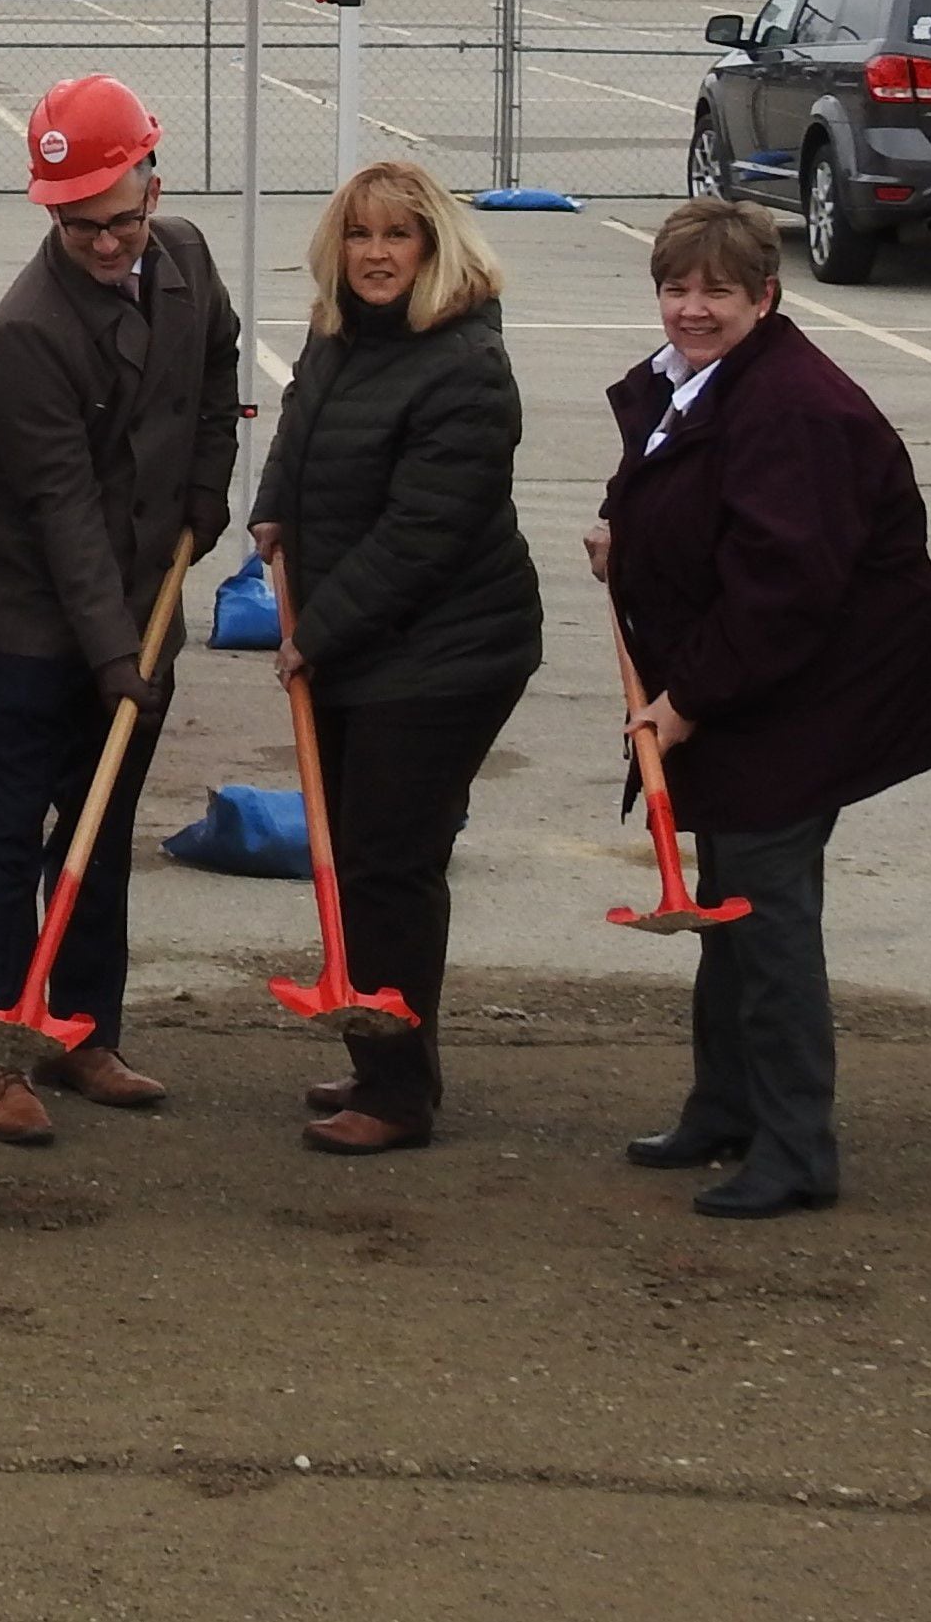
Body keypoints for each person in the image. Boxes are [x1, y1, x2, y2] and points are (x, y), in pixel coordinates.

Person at [591, 197, 931, 1218]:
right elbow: (684, 494)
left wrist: (686, 702)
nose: (691, 307)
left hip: (805, 697)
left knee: (767, 915)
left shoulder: (792, 407)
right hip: (754, 690)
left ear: (765, 295)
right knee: (729, 906)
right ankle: (725, 1104)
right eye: (676, 286)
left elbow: (783, 586)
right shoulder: (700, 382)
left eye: (715, 289)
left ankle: (796, 1145)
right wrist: (626, 531)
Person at [0, 76, 237, 1146]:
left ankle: (82, 1028)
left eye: (121, 219)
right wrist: (117, 653)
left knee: (102, 817)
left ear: (151, 185)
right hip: (35, 611)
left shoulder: (190, 257)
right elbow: (63, 510)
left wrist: (208, 486)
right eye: (79, 226)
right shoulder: (24, 332)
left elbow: (216, 371)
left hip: (143, 583)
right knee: (6, 824)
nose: (107, 242)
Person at [248, 159, 540, 1157]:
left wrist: (313, 633)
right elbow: (297, 423)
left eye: (397, 236)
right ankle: (380, 1055)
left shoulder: (463, 364)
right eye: (361, 235)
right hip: (356, 639)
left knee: (387, 861)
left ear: (433, 247)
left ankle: (398, 1091)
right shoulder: (342, 332)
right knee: (357, 855)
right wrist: (272, 507)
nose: (376, 254)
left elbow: (424, 533)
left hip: (445, 651)